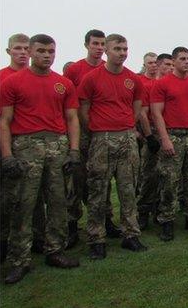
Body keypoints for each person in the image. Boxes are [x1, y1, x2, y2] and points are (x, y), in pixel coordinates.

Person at [0, 34, 81, 284]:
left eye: (51, 51)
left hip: (57, 145)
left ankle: (55, 250)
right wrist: (7, 155)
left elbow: (72, 118)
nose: (47, 55)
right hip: (26, 147)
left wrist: (74, 150)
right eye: (42, 51)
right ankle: (19, 260)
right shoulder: (12, 82)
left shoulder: (63, 83)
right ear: (32, 52)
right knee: (23, 205)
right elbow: (4, 120)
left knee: (58, 202)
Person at [78, 34, 147, 259]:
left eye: (125, 49)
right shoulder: (91, 78)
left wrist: (126, 126)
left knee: (128, 188)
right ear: (107, 50)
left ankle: (130, 234)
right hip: (102, 139)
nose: (122, 52)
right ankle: (97, 238)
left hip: (127, 138)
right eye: (117, 48)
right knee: (99, 190)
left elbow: (136, 108)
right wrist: (100, 128)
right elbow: (84, 111)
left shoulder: (133, 79)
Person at [64, 29, 122, 248]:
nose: (98, 48)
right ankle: (71, 226)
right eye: (94, 44)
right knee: (77, 182)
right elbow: (69, 104)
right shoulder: (75, 70)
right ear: (86, 45)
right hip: (82, 134)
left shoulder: (111, 70)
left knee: (102, 182)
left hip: (102, 134)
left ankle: (106, 221)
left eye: (101, 44)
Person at [150, 47, 188, 241]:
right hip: (173, 136)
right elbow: (156, 113)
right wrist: (165, 139)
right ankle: (166, 220)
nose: (187, 62)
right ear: (174, 61)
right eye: (182, 59)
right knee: (169, 180)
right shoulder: (163, 84)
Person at [0, 33, 31, 263]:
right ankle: (4, 242)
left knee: (35, 198)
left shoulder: (43, 78)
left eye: (26, 48)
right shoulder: (2, 78)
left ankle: (38, 240)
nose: (22, 52)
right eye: (17, 48)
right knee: (9, 198)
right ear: (9, 51)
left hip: (35, 146)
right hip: (8, 143)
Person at [135, 52, 162, 229]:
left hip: (163, 130)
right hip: (147, 132)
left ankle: (159, 210)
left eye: (155, 62)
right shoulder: (141, 84)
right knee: (148, 173)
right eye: (150, 63)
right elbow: (140, 111)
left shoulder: (160, 83)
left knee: (163, 173)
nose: (153, 65)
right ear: (144, 64)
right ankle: (143, 211)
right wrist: (146, 135)